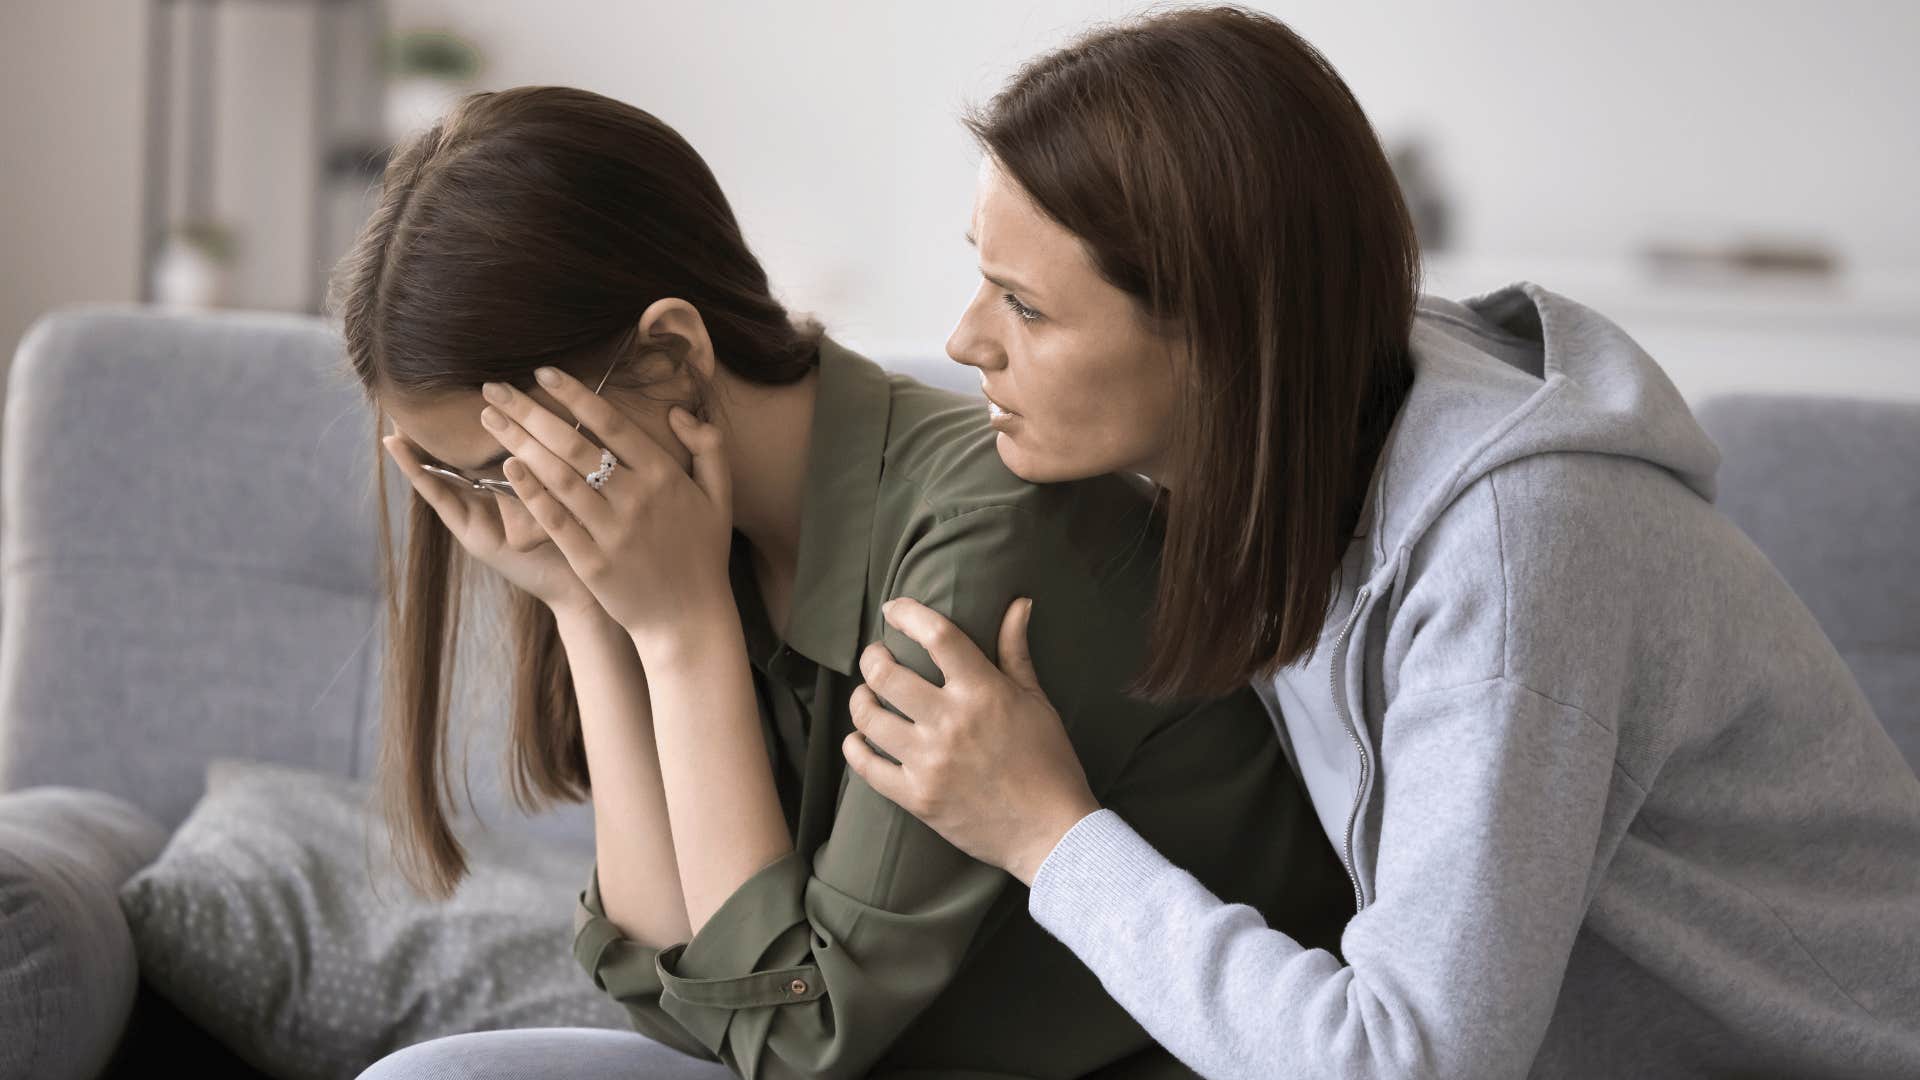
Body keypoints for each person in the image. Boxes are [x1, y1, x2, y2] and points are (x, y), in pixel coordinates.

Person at [840, 7, 1920, 1078]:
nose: (964, 339)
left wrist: (1045, 834)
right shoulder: (1282, 450)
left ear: (1221, 334)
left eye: (1025, 308)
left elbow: (1405, 1066)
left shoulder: (1516, 548)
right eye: (983, 274)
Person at [335, 85, 1354, 1080]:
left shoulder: (984, 538)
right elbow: (678, 1001)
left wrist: (682, 634)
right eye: (467, 485)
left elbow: (790, 1042)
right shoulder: (689, 534)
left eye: (512, 466)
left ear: (673, 355)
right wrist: (579, 606)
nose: (512, 514)